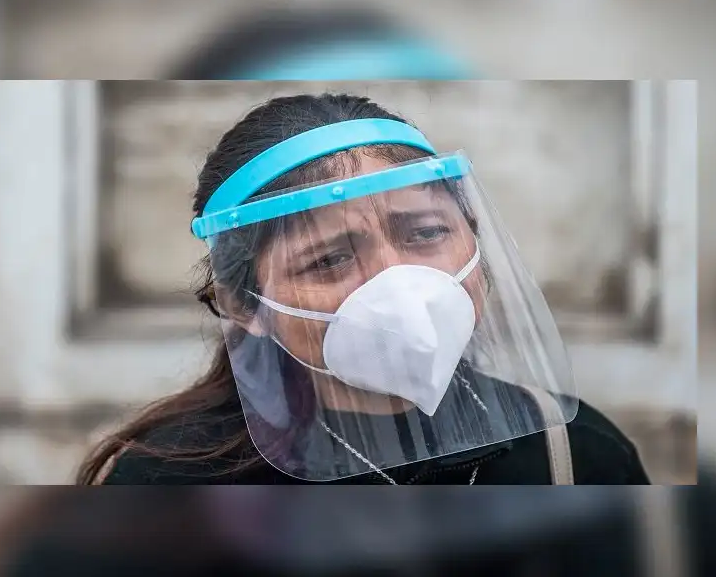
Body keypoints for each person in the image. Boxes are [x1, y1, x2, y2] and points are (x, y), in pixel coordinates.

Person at [77, 92, 651, 485]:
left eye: (426, 233)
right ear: (242, 305)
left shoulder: (576, 454)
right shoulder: (167, 483)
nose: (395, 281)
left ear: (474, 242)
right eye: (327, 260)